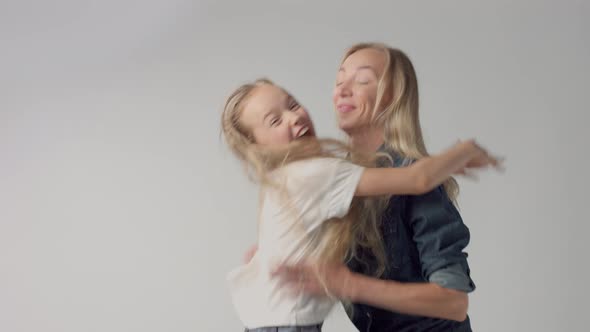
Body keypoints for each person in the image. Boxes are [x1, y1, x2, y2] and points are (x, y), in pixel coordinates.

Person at [222, 78, 500, 331]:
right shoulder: (316, 173)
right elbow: (418, 179)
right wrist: (463, 151)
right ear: (257, 147)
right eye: (275, 121)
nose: (294, 117)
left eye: (293, 104)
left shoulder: (283, 180)